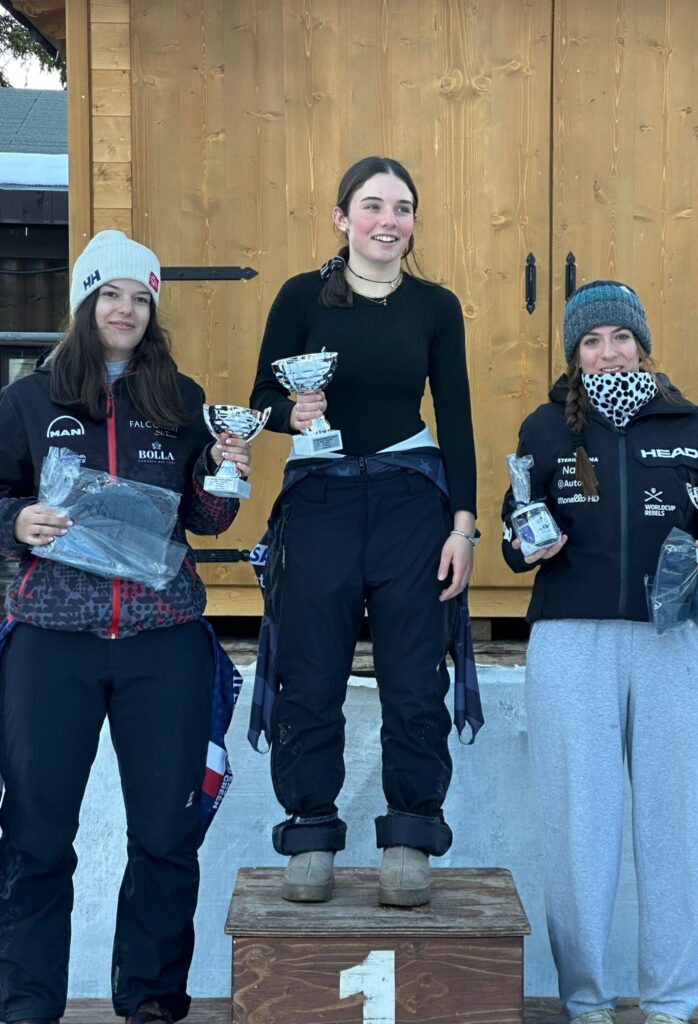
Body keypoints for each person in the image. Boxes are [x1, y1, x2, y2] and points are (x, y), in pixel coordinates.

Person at [0, 230, 252, 1024]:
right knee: (35, 837)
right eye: (111, 294)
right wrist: (17, 520)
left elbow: (207, 519)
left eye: (141, 298)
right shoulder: (28, 399)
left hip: (163, 644)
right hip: (52, 644)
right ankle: (26, 1005)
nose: (126, 309)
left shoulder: (182, 398)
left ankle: (150, 1002)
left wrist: (226, 476)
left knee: (166, 838)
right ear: (84, 302)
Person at [501, 280, 698, 1024]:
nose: (607, 353)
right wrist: (526, 543)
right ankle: (586, 998)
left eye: (619, 338)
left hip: (674, 641)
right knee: (580, 825)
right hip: (571, 640)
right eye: (591, 341)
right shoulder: (544, 429)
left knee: (675, 822)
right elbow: (516, 533)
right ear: (574, 354)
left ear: (641, 344)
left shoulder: (696, 426)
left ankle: (671, 1000)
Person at [249, 155, 478, 907]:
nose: (389, 220)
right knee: (311, 672)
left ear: (413, 223)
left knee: (415, 675)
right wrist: (291, 413)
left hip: (412, 502)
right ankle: (310, 831)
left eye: (402, 208)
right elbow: (261, 396)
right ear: (342, 218)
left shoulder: (435, 306)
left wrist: (464, 527)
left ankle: (410, 835)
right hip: (321, 503)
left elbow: (456, 417)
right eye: (373, 205)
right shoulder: (300, 296)